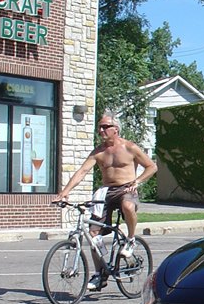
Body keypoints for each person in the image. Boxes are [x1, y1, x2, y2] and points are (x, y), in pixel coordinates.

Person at [55, 111, 157, 286]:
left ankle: (131, 239)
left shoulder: (129, 147)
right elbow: (82, 172)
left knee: (128, 206)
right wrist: (65, 191)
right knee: (94, 234)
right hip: (106, 191)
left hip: (126, 187)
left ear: (115, 129)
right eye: (99, 127)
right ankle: (100, 274)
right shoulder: (98, 152)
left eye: (105, 127)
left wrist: (137, 181)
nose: (101, 130)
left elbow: (151, 166)